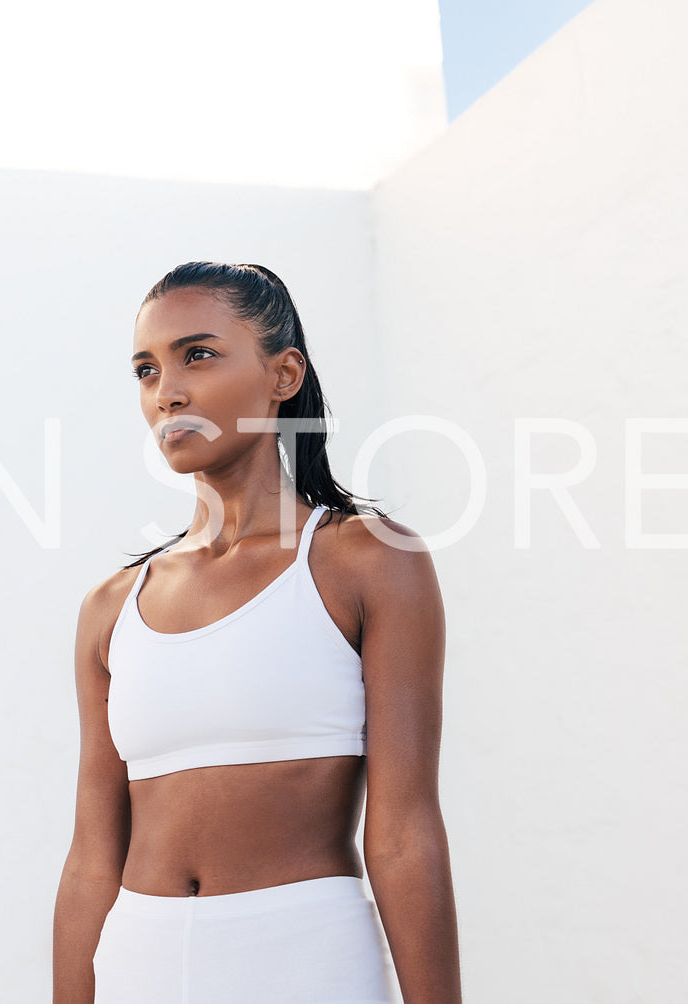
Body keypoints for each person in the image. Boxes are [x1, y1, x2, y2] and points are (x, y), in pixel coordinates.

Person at [52, 262, 461, 1003]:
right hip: (138, 961)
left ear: (283, 374)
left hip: (304, 956)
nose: (166, 390)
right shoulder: (111, 609)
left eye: (197, 355)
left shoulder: (364, 562)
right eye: (146, 369)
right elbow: (89, 859)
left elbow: (403, 833)